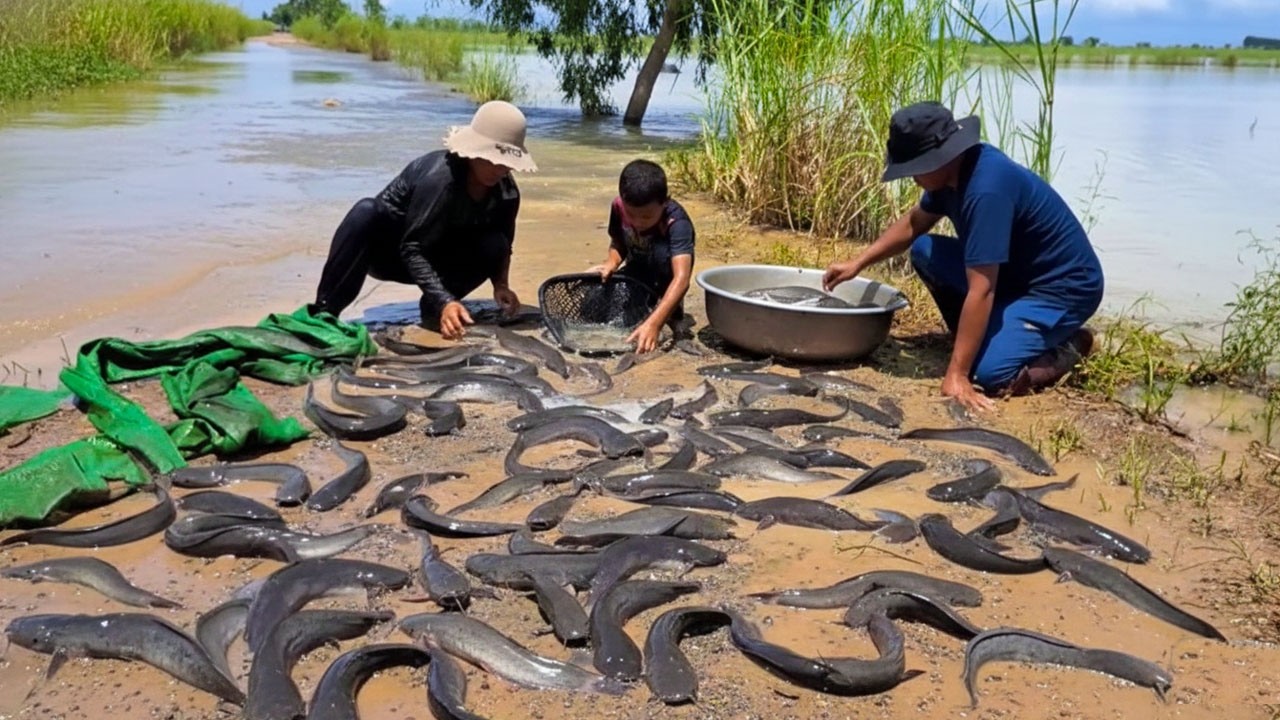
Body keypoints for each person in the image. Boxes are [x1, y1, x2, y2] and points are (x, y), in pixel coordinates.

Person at [823, 101, 1103, 412]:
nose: (911, 178)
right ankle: (975, 338)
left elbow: (982, 288)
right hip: (1013, 272)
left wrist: (957, 374)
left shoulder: (986, 189)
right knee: (925, 250)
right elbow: (914, 224)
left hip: (1061, 289)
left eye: (915, 169)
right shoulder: (951, 173)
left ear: (938, 159)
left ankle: (1074, 344)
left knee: (992, 374)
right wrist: (858, 262)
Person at [312, 100, 537, 339]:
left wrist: (500, 284)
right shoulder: (440, 178)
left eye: (506, 164)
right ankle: (324, 313)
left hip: (442, 254)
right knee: (365, 211)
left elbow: (504, 244)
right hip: (391, 254)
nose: (498, 169)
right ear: (474, 152)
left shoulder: (507, 193)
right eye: (491, 159)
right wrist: (445, 300)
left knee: (495, 243)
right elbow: (411, 247)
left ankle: (434, 307)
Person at [589, 159, 696, 353]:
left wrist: (654, 324)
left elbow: (682, 279)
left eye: (646, 216)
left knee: (660, 322)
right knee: (593, 306)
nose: (638, 222)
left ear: (664, 202)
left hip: (666, 277)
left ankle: (671, 314)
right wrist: (611, 262)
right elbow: (618, 243)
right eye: (632, 215)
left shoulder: (677, 223)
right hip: (637, 269)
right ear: (622, 200)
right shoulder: (618, 207)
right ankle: (643, 303)